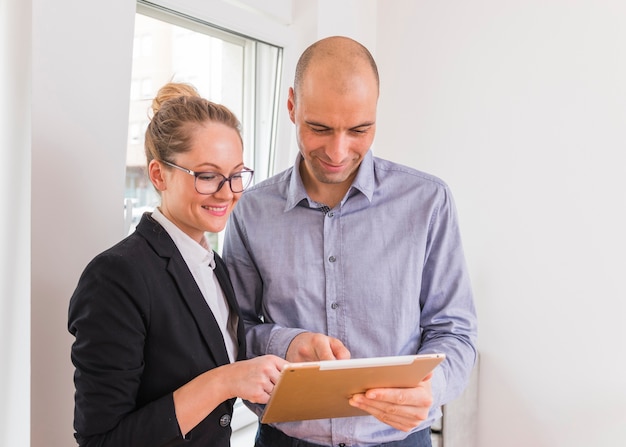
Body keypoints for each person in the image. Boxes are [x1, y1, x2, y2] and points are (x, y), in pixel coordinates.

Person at [222, 36, 478, 447]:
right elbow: (235, 331)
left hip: (400, 439)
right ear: (291, 106)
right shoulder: (249, 211)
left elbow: (455, 330)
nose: (338, 152)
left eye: (359, 129)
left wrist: (434, 387)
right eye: (319, 128)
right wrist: (288, 344)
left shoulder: (428, 202)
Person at [68, 82, 287, 447]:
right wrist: (225, 380)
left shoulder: (214, 265)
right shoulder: (116, 276)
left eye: (236, 175)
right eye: (207, 175)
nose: (227, 192)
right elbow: (101, 441)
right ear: (158, 175)